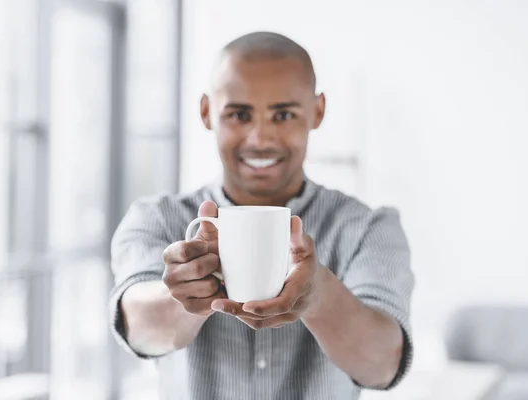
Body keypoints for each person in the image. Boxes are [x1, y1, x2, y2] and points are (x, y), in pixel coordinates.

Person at [110, 31, 414, 400]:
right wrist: (183, 295)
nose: (260, 139)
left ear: (317, 111)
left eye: (283, 114)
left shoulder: (368, 229)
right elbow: (137, 328)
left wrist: (317, 294)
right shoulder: (157, 219)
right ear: (206, 111)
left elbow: (383, 364)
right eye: (239, 114)